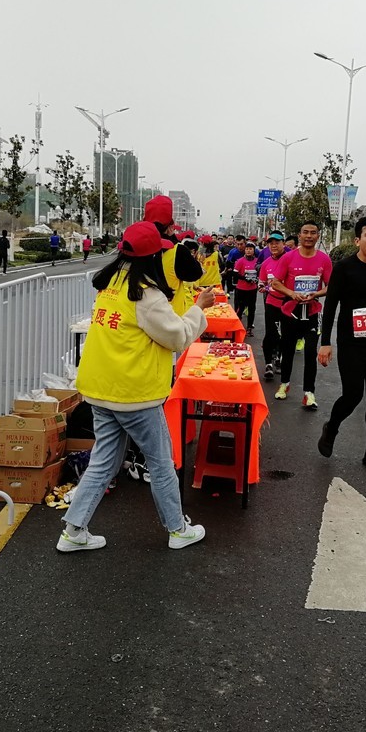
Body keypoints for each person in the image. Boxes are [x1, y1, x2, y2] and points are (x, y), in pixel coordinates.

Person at [57, 221, 213, 553]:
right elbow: (177, 337)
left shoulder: (110, 283)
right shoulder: (147, 294)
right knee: (160, 461)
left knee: (104, 461)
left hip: (100, 389)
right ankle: (178, 528)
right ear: (154, 255)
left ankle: (74, 530)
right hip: (133, 394)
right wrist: (199, 309)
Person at [316, 216, 366, 471]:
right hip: (351, 343)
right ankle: (332, 426)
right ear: (357, 240)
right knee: (353, 395)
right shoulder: (344, 268)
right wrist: (326, 342)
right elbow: (330, 307)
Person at [268, 220, 332, 409]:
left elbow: (331, 287)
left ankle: (309, 393)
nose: (309, 236)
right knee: (287, 352)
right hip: (290, 313)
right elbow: (276, 283)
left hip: (312, 313)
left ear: (318, 236)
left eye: (313, 232)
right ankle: (284, 384)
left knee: (311, 352)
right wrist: (292, 294)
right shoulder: (288, 258)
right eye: (305, 232)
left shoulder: (324, 259)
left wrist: (316, 294)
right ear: (299, 234)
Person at [144, 195, 204, 315]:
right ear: (170, 228)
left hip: (141, 316)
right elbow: (195, 273)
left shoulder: (135, 249)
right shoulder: (178, 251)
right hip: (172, 318)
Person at [258, 231, 287, 380]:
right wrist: (262, 287)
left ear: (283, 243)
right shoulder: (266, 263)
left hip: (288, 303)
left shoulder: (290, 260)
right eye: (271, 243)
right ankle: (268, 364)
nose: (274, 246)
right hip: (271, 302)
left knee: (285, 334)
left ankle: (280, 359)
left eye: (277, 242)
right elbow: (261, 282)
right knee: (271, 334)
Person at [232, 241, 260, 333]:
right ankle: (237, 326)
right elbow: (235, 274)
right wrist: (245, 278)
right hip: (241, 289)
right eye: (247, 249)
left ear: (254, 250)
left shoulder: (257, 261)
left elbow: (260, 273)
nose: (248, 251)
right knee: (240, 308)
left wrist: (256, 279)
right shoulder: (240, 261)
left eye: (250, 249)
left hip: (252, 289)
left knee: (252, 308)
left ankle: (249, 327)